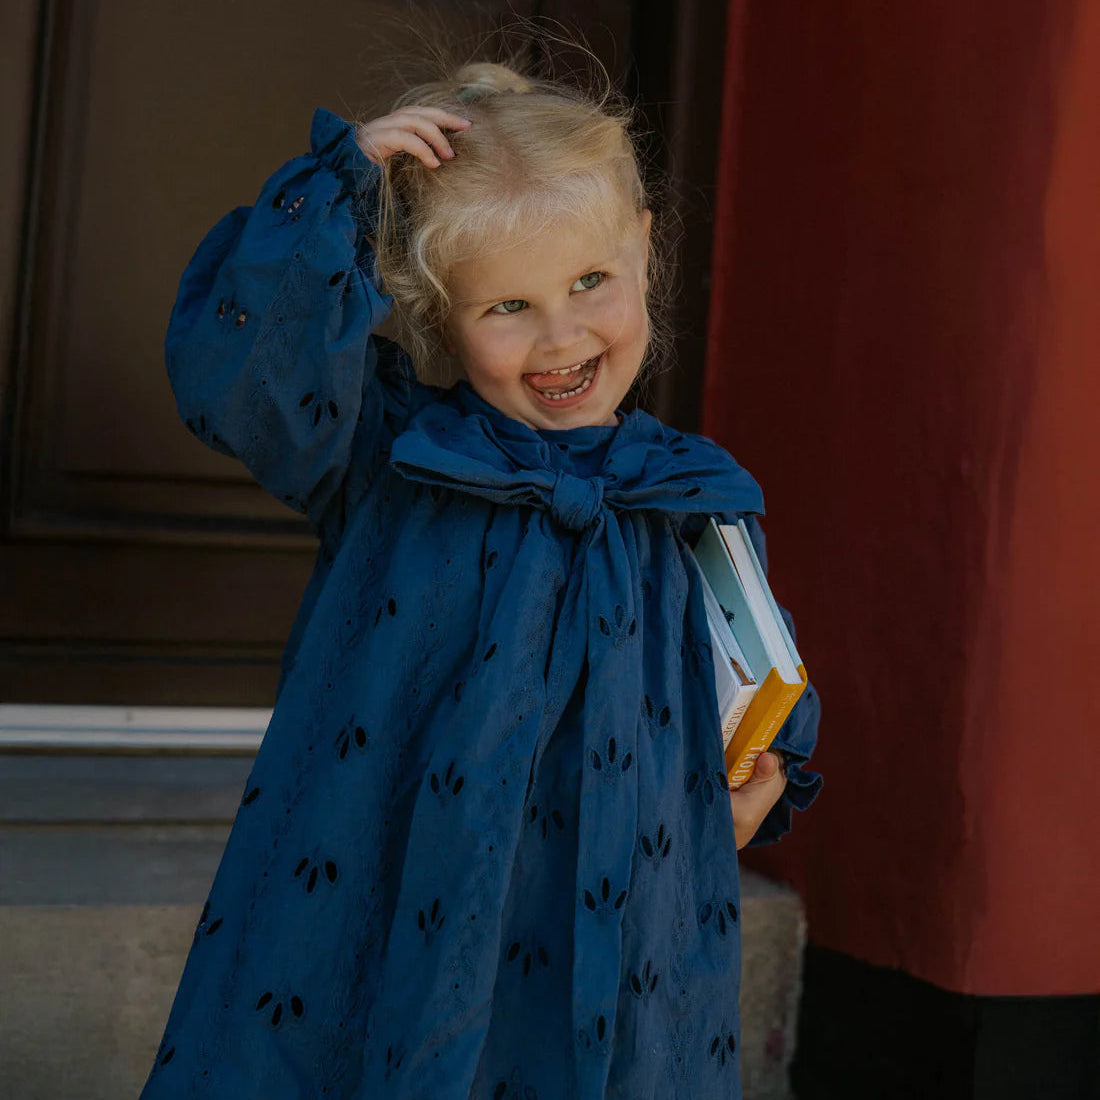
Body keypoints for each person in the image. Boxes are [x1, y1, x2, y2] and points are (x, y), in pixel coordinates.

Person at [141, 56, 821, 1100]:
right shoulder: (393, 457)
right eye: (507, 303)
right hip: (404, 903)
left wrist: (756, 776)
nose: (559, 336)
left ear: (641, 245)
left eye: (589, 281)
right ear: (434, 309)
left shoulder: (691, 498)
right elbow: (248, 378)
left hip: (623, 921)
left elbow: (750, 676)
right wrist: (338, 190)